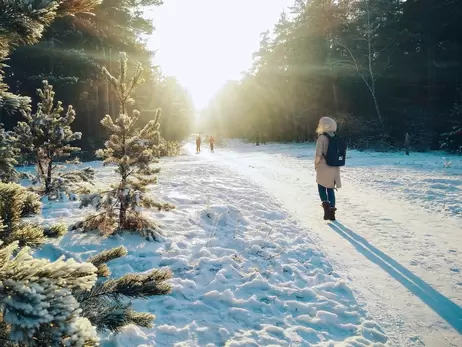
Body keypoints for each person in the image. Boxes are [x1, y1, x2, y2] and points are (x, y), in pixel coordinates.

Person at [314, 117, 342, 221]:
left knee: (321, 186)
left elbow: (318, 154)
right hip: (334, 166)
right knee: (330, 188)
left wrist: (316, 164)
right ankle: (332, 212)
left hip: (323, 166)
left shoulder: (322, 138)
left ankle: (326, 209)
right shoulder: (336, 137)